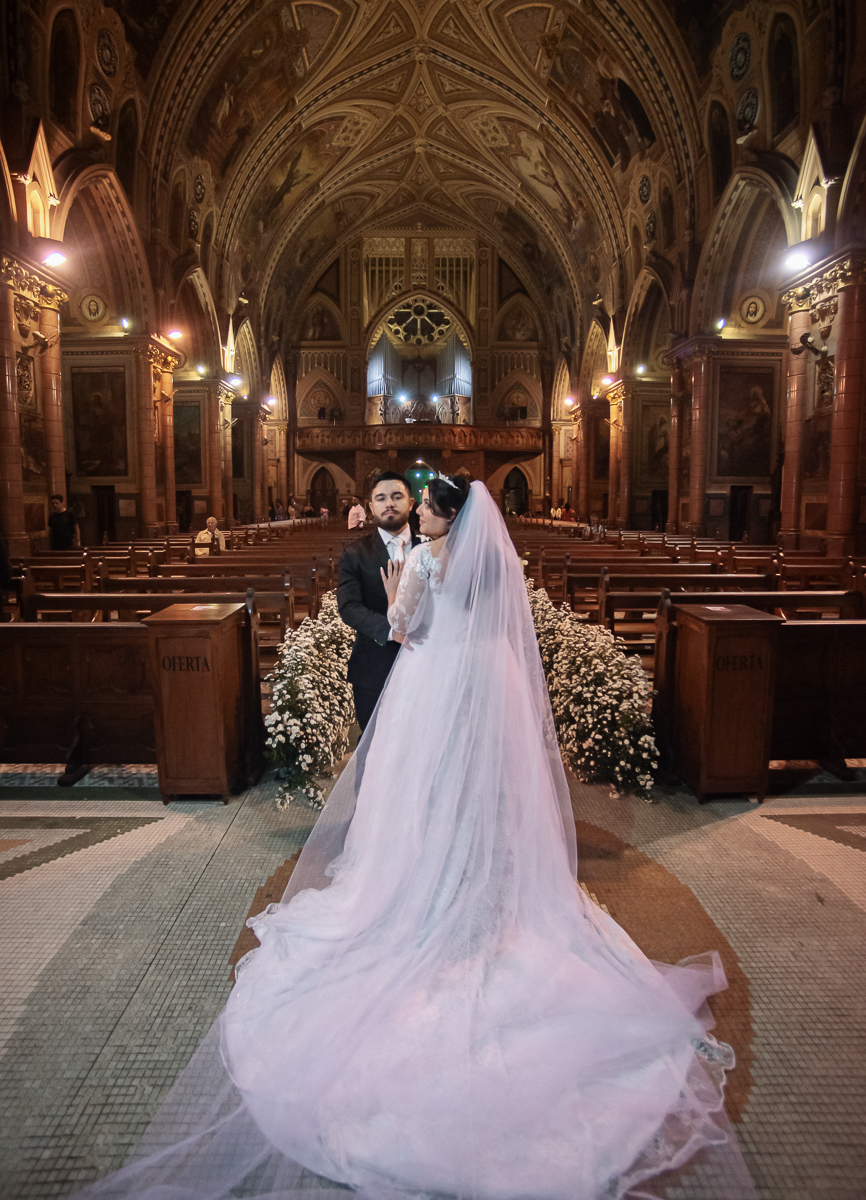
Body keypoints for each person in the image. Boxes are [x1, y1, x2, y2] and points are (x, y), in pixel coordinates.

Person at [70, 478, 754, 1200]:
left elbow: (401, 628)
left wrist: (400, 585)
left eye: (426, 505)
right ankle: (484, 886)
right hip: (486, 685)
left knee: (421, 790)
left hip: (431, 683)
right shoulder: (491, 561)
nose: (419, 513)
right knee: (479, 793)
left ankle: (426, 885)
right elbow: (496, 629)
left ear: (443, 515)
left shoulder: (425, 559)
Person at [336, 471, 420, 731]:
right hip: (373, 665)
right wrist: (391, 631)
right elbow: (349, 607)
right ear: (371, 507)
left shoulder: (432, 547)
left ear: (411, 502)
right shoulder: (354, 554)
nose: (389, 504)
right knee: (374, 745)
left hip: (427, 663)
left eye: (397, 496)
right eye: (381, 498)